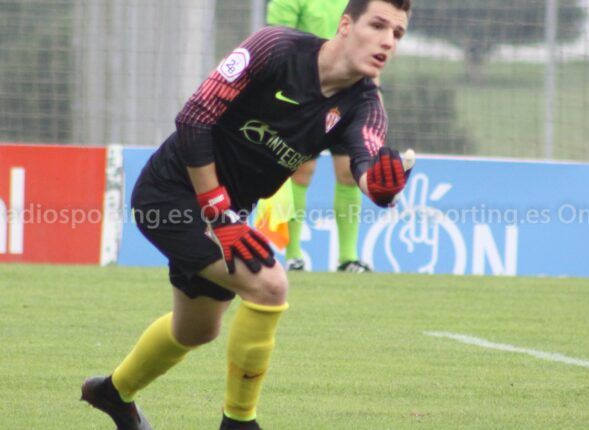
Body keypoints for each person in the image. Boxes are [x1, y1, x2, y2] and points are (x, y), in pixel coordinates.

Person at [80, 1, 412, 429]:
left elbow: (366, 164)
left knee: (196, 331)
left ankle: (112, 393)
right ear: (346, 25)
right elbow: (194, 119)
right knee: (270, 285)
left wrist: (381, 187)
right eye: (379, 25)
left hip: (229, 214)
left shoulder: (366, 105)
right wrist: (218, 213)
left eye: (398, 34)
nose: (388, 40)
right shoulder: (275, 48)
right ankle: (239, 422)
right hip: (170, 194)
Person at [266, 0, 375, 273]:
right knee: (300, 170)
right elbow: (278, 41)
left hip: (350, 91)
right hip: (304, 93)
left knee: (350, 171)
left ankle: (348, 257)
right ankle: (293, 255)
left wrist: (376, 92)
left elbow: (372, 41)